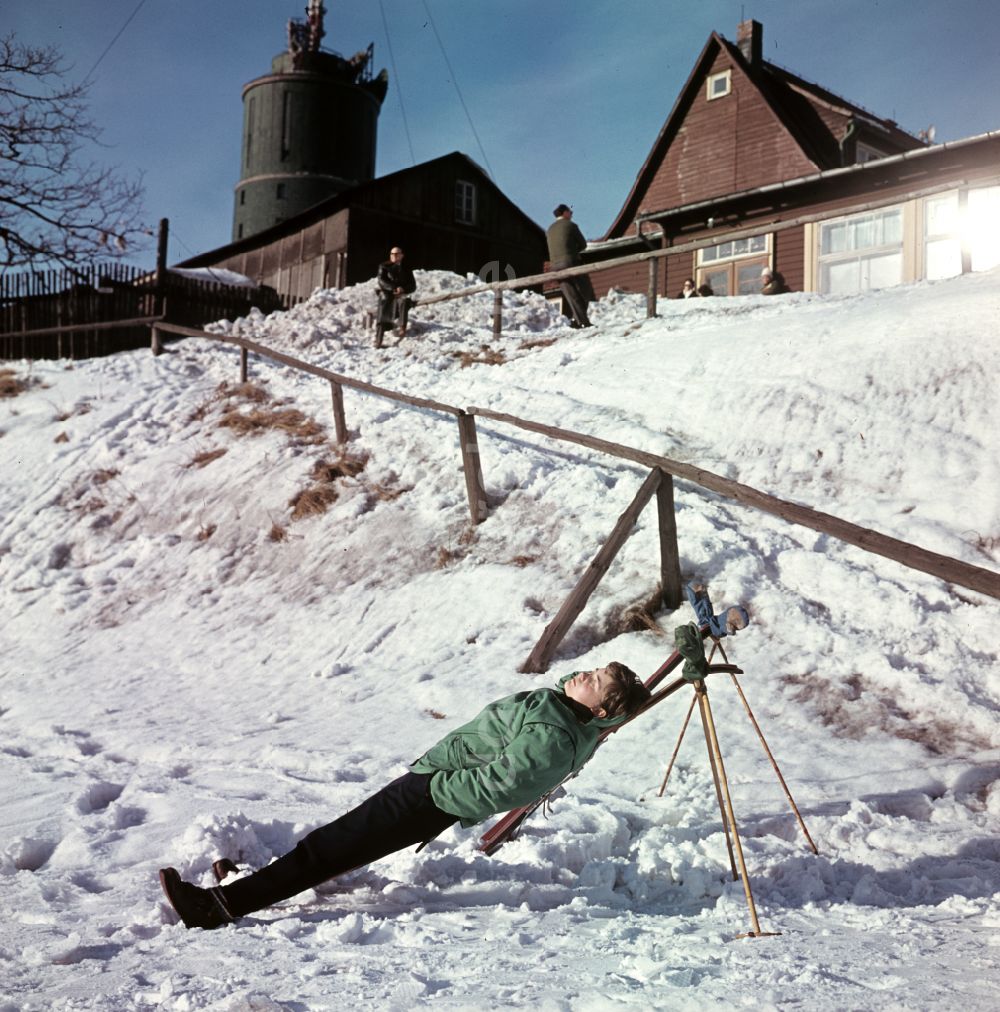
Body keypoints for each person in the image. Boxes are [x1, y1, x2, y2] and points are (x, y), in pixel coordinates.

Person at [159, 662, 651, 930]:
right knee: (335, 846)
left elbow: (502, 784)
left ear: (601, 708)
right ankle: (248, 886)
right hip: (432, 782)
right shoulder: (565, 713)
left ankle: (216, 908)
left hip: (434, 793)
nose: (585, 675)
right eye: (592, 671)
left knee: (330, 846)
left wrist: (437, 789)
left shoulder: (555, 736)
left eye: (596, 682)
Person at [546, 204, 595, 328]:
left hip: (555, 266)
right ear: (565, 213)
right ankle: (581, 320)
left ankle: (580, 321)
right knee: (586, 290)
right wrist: (573, 250)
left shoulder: (550, 229)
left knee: (571, 294)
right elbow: (583, 245)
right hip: (571, 261)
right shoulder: (571, 226)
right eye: (570, 211)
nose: (572, 214)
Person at [374, 247, 416, 346]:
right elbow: (381, 281)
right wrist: (394, 288)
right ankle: (379, 339)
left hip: (401, 295)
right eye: (392, 254)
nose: (394, 256)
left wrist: (403, 289)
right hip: (388, 294)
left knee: (404, 301)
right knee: (384, 308)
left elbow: (412, 285)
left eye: (397, 254)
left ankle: (402, 327)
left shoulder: (407, 268)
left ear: (402, 255)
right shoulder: (384, 266)